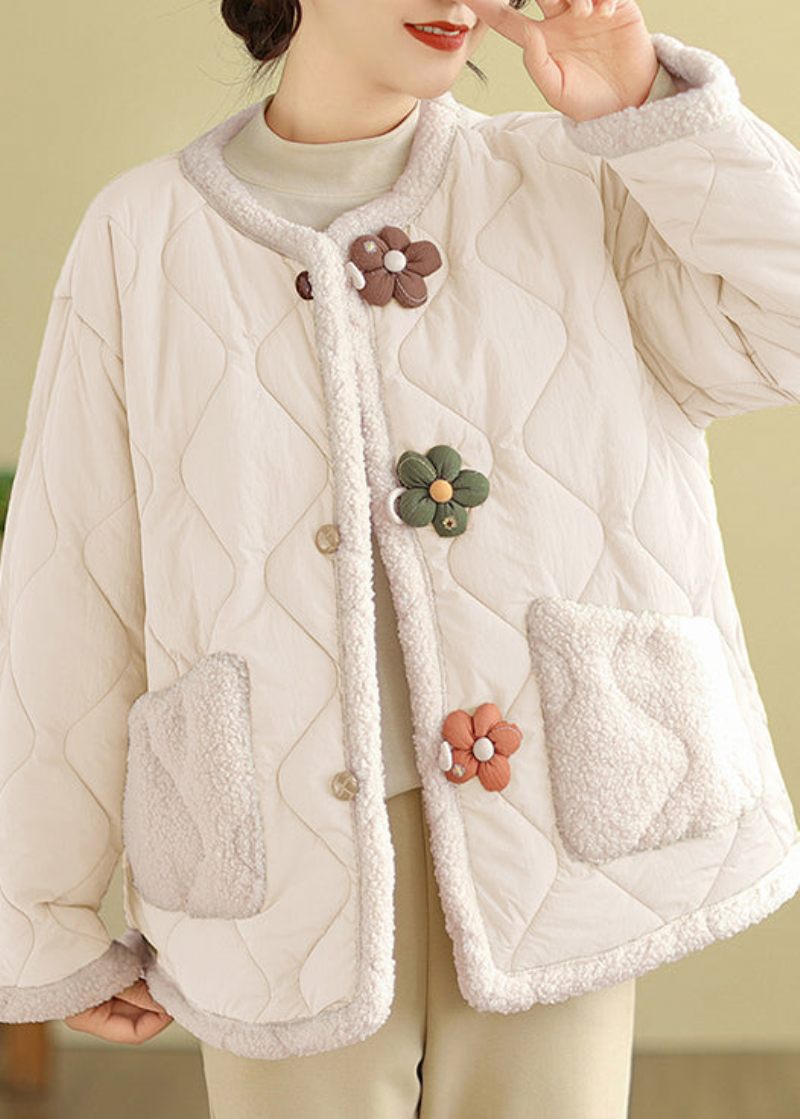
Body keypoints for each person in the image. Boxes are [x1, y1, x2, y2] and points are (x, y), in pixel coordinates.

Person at [1, 1, 798, 1117]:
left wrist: (649, 111)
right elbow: (70, 575)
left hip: (554, 822)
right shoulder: (142, 234)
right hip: (274, 840)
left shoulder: (576, 174)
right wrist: (39, 912)